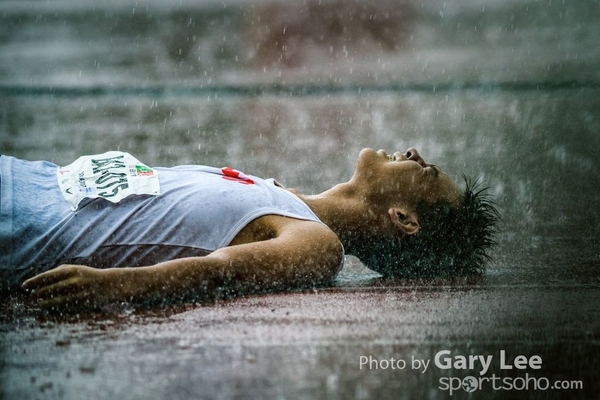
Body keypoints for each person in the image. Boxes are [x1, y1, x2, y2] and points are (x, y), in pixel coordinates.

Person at [1, 147, 498, 311]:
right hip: (26, 178)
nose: (413, 155)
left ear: (405, 220)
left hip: (25, 228)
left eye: (426, 171)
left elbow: (217, 272)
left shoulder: (315, 242)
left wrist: (111, 286)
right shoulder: (277, 191)